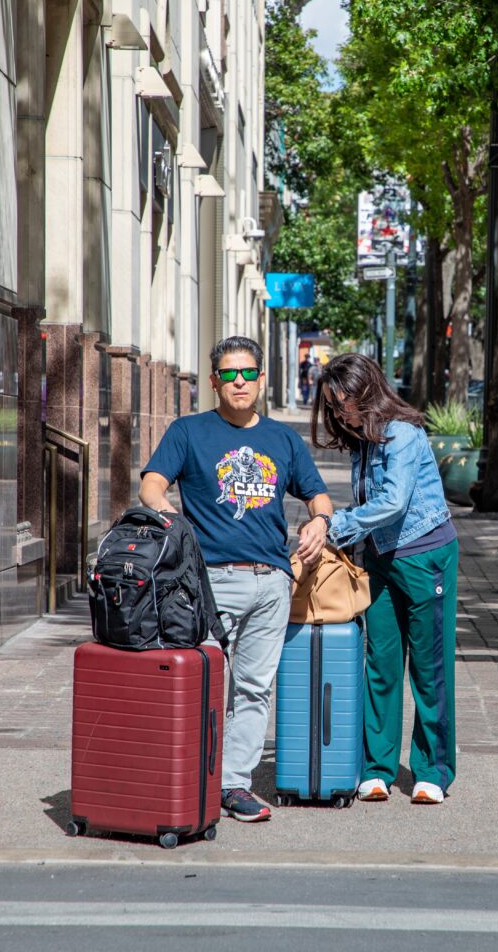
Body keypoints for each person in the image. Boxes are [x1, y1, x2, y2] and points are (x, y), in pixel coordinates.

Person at [140, 336, 333, 823]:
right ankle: (187, 780)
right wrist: (172, 521)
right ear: (214, 382)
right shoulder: (189, 432)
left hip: (271, 583)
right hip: (209, 582)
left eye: (248, 373)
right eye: (229, 374)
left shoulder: (284, 440)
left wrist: (319, 523)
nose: (239, 381)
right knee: (202, 682)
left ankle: (233, 784)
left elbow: (318, 496)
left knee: (254, 688)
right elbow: (152, 485)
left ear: (262, 379)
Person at [311, 353, 458, 805]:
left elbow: (393, 503)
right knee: (381, 664)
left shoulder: (404, 434)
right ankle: (377, 768)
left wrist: (334, 526)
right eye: (334, 407)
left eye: (345, 403)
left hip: (424, 556)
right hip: (379, 559)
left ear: (367, 392)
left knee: (430, 669)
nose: (341, 414)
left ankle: (432, 771)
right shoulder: (363, 439)